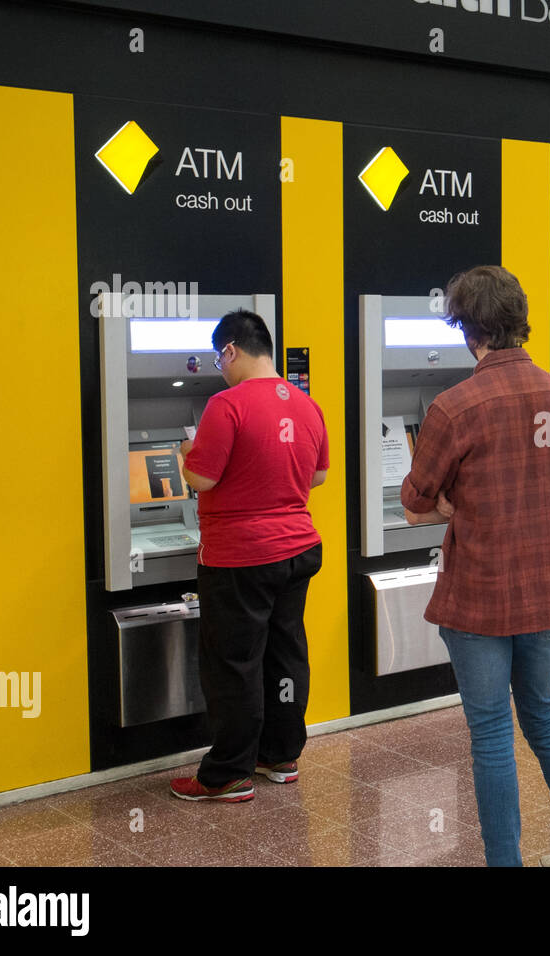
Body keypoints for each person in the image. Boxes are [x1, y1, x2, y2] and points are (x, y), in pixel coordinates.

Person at [402, 265, 550, 867]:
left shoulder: (452, 406)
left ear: (469, 330)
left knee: (491, 735)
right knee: (543, 719)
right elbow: (543, 482)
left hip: (478, 598)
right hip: (541, 591)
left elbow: (414, 503)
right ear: (518, 320)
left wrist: (454, 504)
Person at [170, 309, 329, 802]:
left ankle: (227, 773)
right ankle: (279, 755)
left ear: (232, 350)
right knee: (285, 654)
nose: (220, 367)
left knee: (233, 663)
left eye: (220, 357)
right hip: (298, 548)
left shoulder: (226, 404)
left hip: (240, 556)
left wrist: (183, 453)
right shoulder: (306, 405)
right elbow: (318, 477)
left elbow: (202, 479)